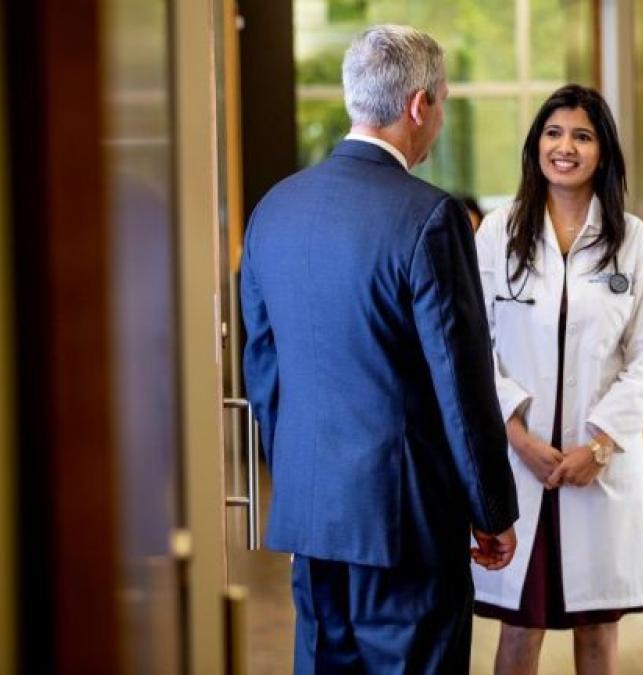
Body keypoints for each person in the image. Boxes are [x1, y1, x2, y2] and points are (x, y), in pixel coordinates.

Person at [240, 25, 519, 674]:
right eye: (443, 102)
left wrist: (301, 483)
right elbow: (461, 381)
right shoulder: (430, 216)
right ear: (419, 104)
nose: (441, 120)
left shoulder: (274, 210)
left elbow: (264, 371)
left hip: (313, 515)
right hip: (406, 522)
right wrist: (491, 509)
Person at [472, 84, 643, 675]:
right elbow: (475, 348)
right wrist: (518, 437)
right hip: (521, 463)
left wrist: (601, 446)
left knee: (598, 630)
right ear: (536, 145)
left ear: (603, 152)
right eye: (554, 133)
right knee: (519, 628)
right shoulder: (498, 233)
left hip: (596, 469)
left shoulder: (633, 241)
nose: (565, 147)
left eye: (582, 136)